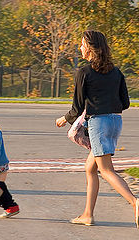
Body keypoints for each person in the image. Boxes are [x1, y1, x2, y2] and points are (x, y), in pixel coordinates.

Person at [56, 30, 139, 228]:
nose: (81, 47)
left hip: (99, 124)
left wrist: (63, 119)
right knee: (90, 168)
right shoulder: (116, 72)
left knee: (106, 170)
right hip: (115, 122)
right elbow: (125, 103)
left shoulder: (84, 72)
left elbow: (76, 108)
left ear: (92, 48)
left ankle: (135, 202)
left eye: (83, 44)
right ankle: (87, 214)